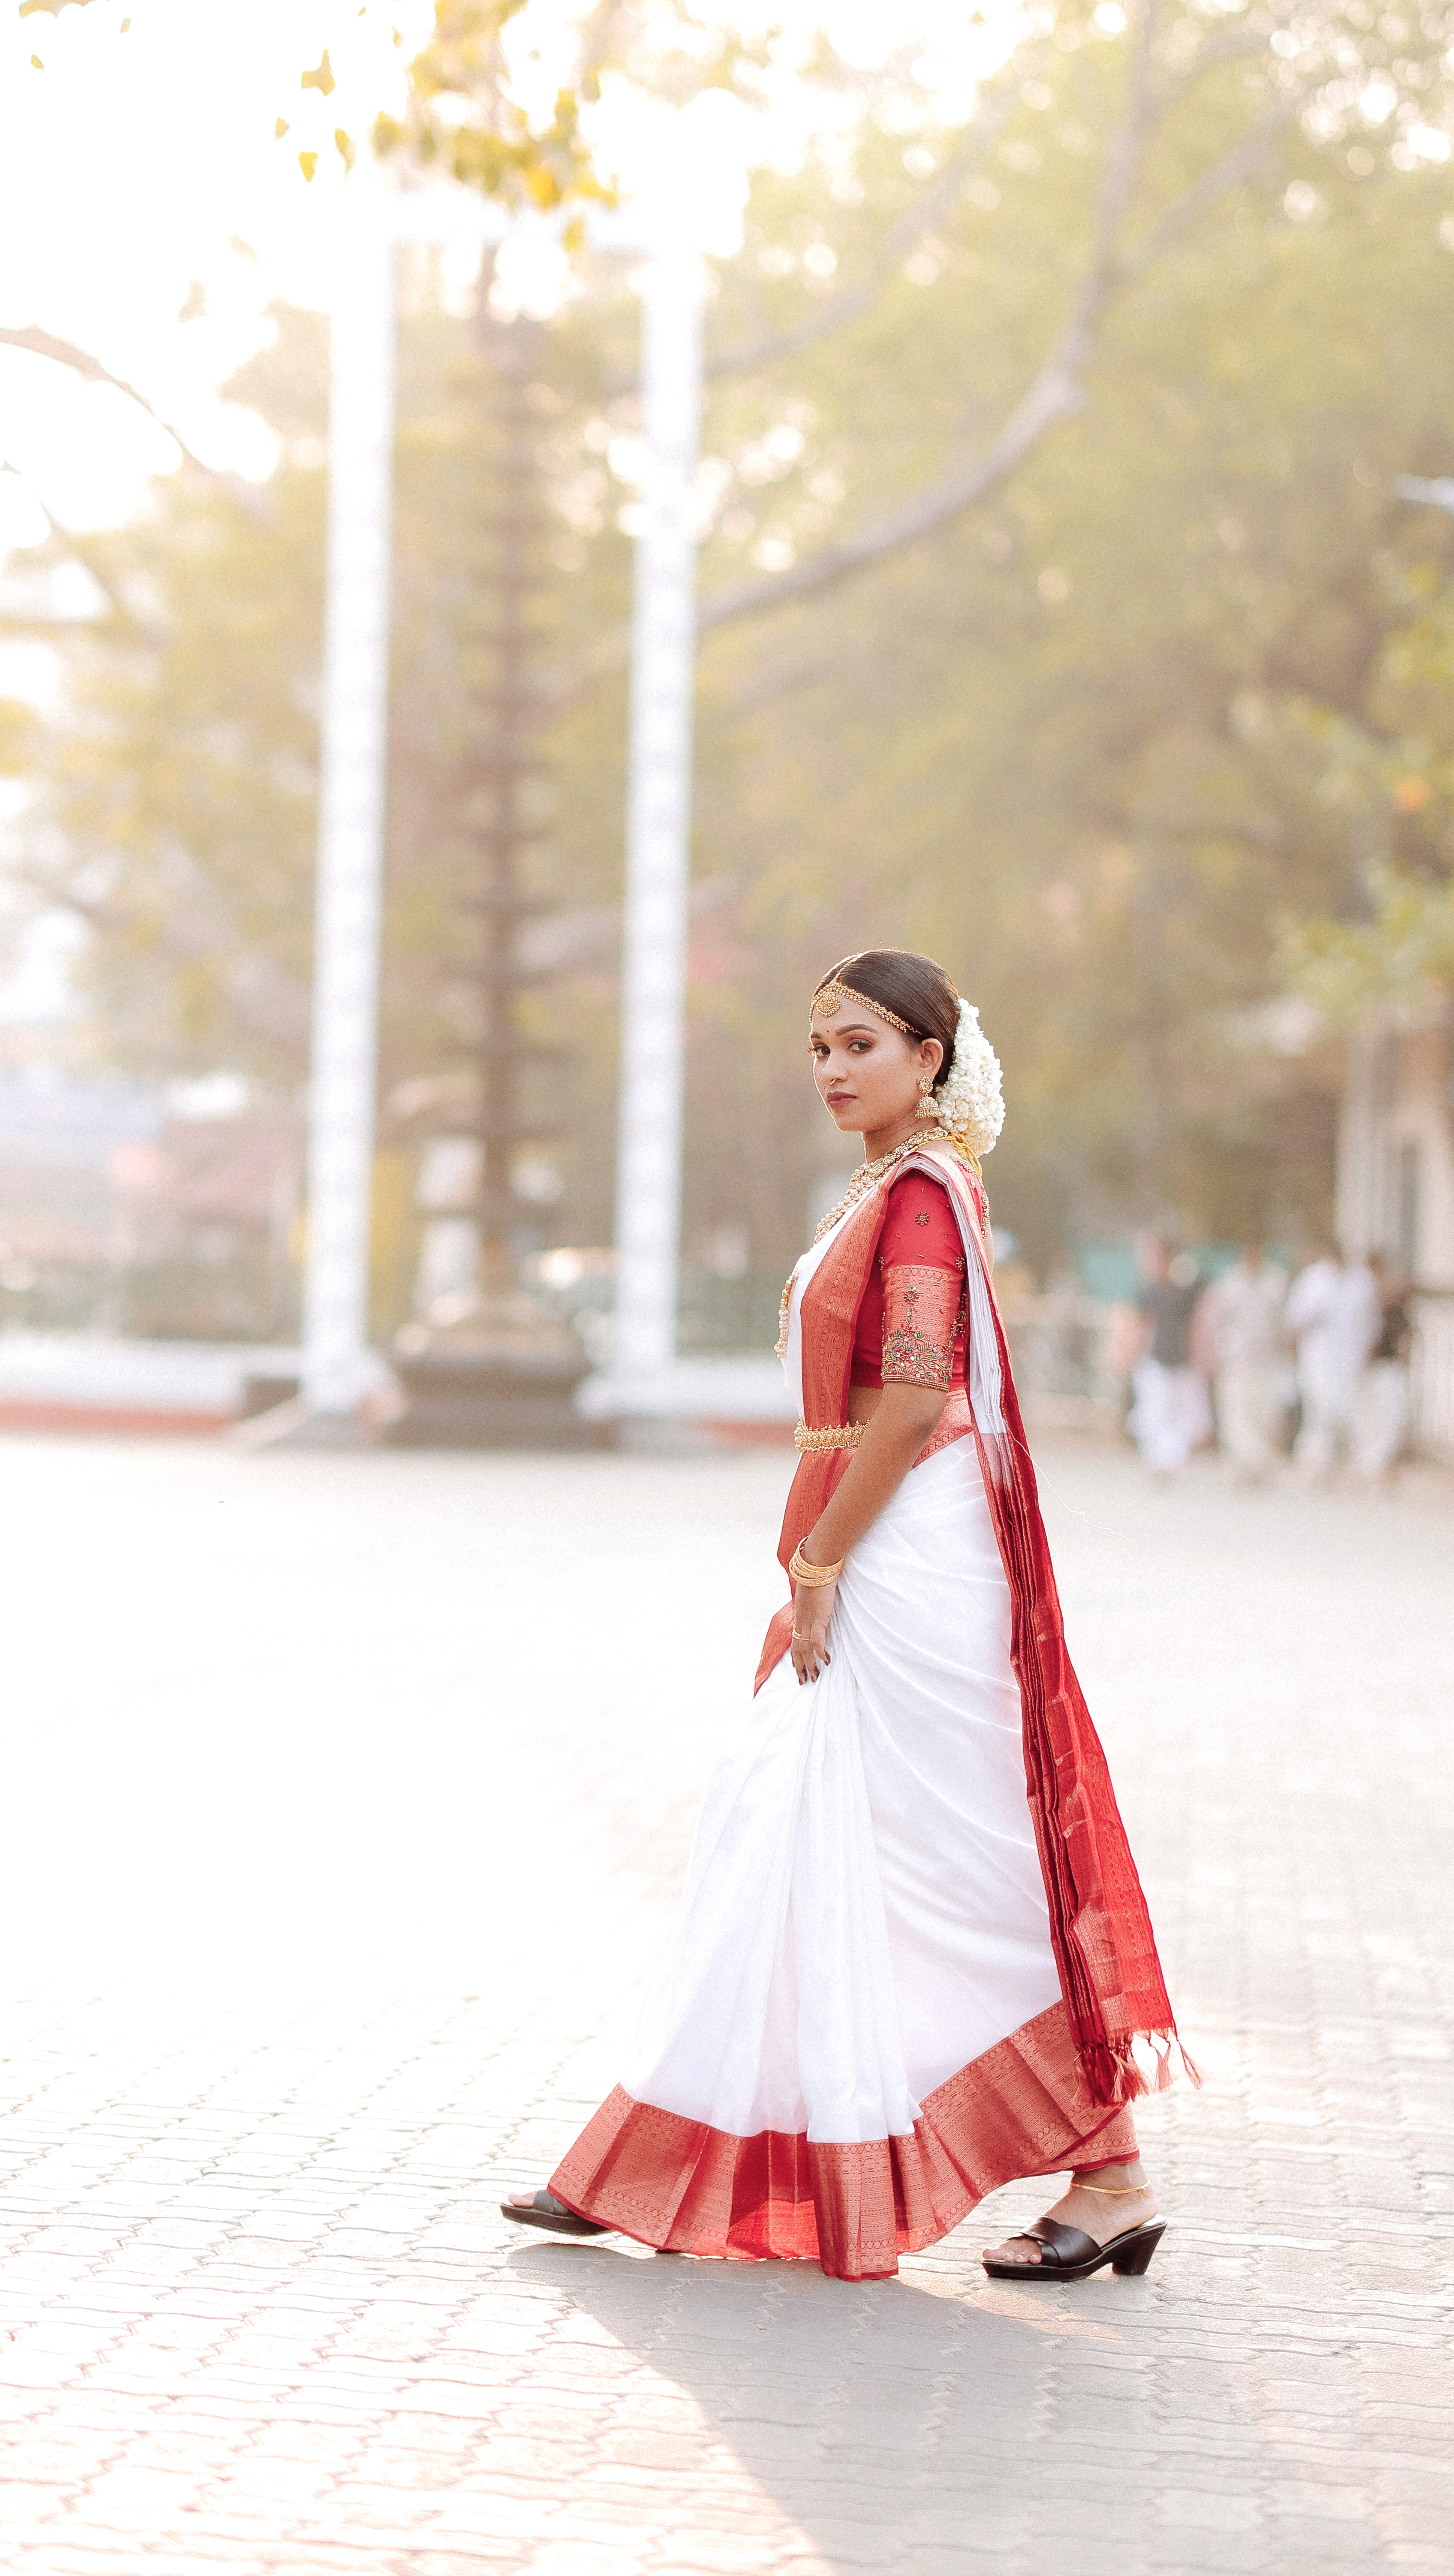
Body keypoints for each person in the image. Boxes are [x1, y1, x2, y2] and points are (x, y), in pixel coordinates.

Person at [502, 949, 1185, 2284]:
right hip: (880, 1539)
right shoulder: (889, 1187)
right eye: (818, 1046)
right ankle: (651, 2157)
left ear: (929, 1057)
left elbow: (917, 1399)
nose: (831, 1069)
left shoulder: (920, 1198)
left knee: (948, 1862)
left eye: (859, 1044)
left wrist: (819, 1560)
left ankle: (1108, 2170)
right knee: (788, 1829)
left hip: (905, 1556)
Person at [1285, 1240, 1381, 1477]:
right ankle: (1317, 1462)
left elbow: (1371, 1321)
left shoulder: (1362, 1281)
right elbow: (1295, 1319)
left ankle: (1346, 1461)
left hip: (1351, 1358)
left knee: (1348, 1410)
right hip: (1319, 1358)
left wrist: (1369, 1350)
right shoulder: (1312, 1280)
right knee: (1321, 1408)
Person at [1204, 1242, 1289, 1483]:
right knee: (1237, 1416)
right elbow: (1218, 1322)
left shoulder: (1276, 1282)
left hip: (1268, 1360)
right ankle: (1244, 1465)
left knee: (1265, 1415)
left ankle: (1261, 1466)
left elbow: (1282, 1321)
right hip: (1238, 1360)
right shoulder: (1230, 1284)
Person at [1128, 1240, 1211, 1480]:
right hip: (1156, 1360)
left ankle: (1171, 1461)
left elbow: (1196, 1323)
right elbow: (1143, 1325)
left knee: (1182, 1416)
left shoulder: (1185, 1288)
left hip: (1180, 1361)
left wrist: (1199, 1356)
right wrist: (1136, 1354)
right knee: (1155, 1413)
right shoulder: (1149, 1291)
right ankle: (1160, 1461)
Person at [1352, 1263, 1414, 1480]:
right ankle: (1373, 1462)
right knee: (1382, 1418)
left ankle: (1379, 1462)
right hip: (1383, 1370)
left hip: (1388, 1370)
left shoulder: (1394, 1313)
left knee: (1390, 1418)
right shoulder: (1378, 1312)